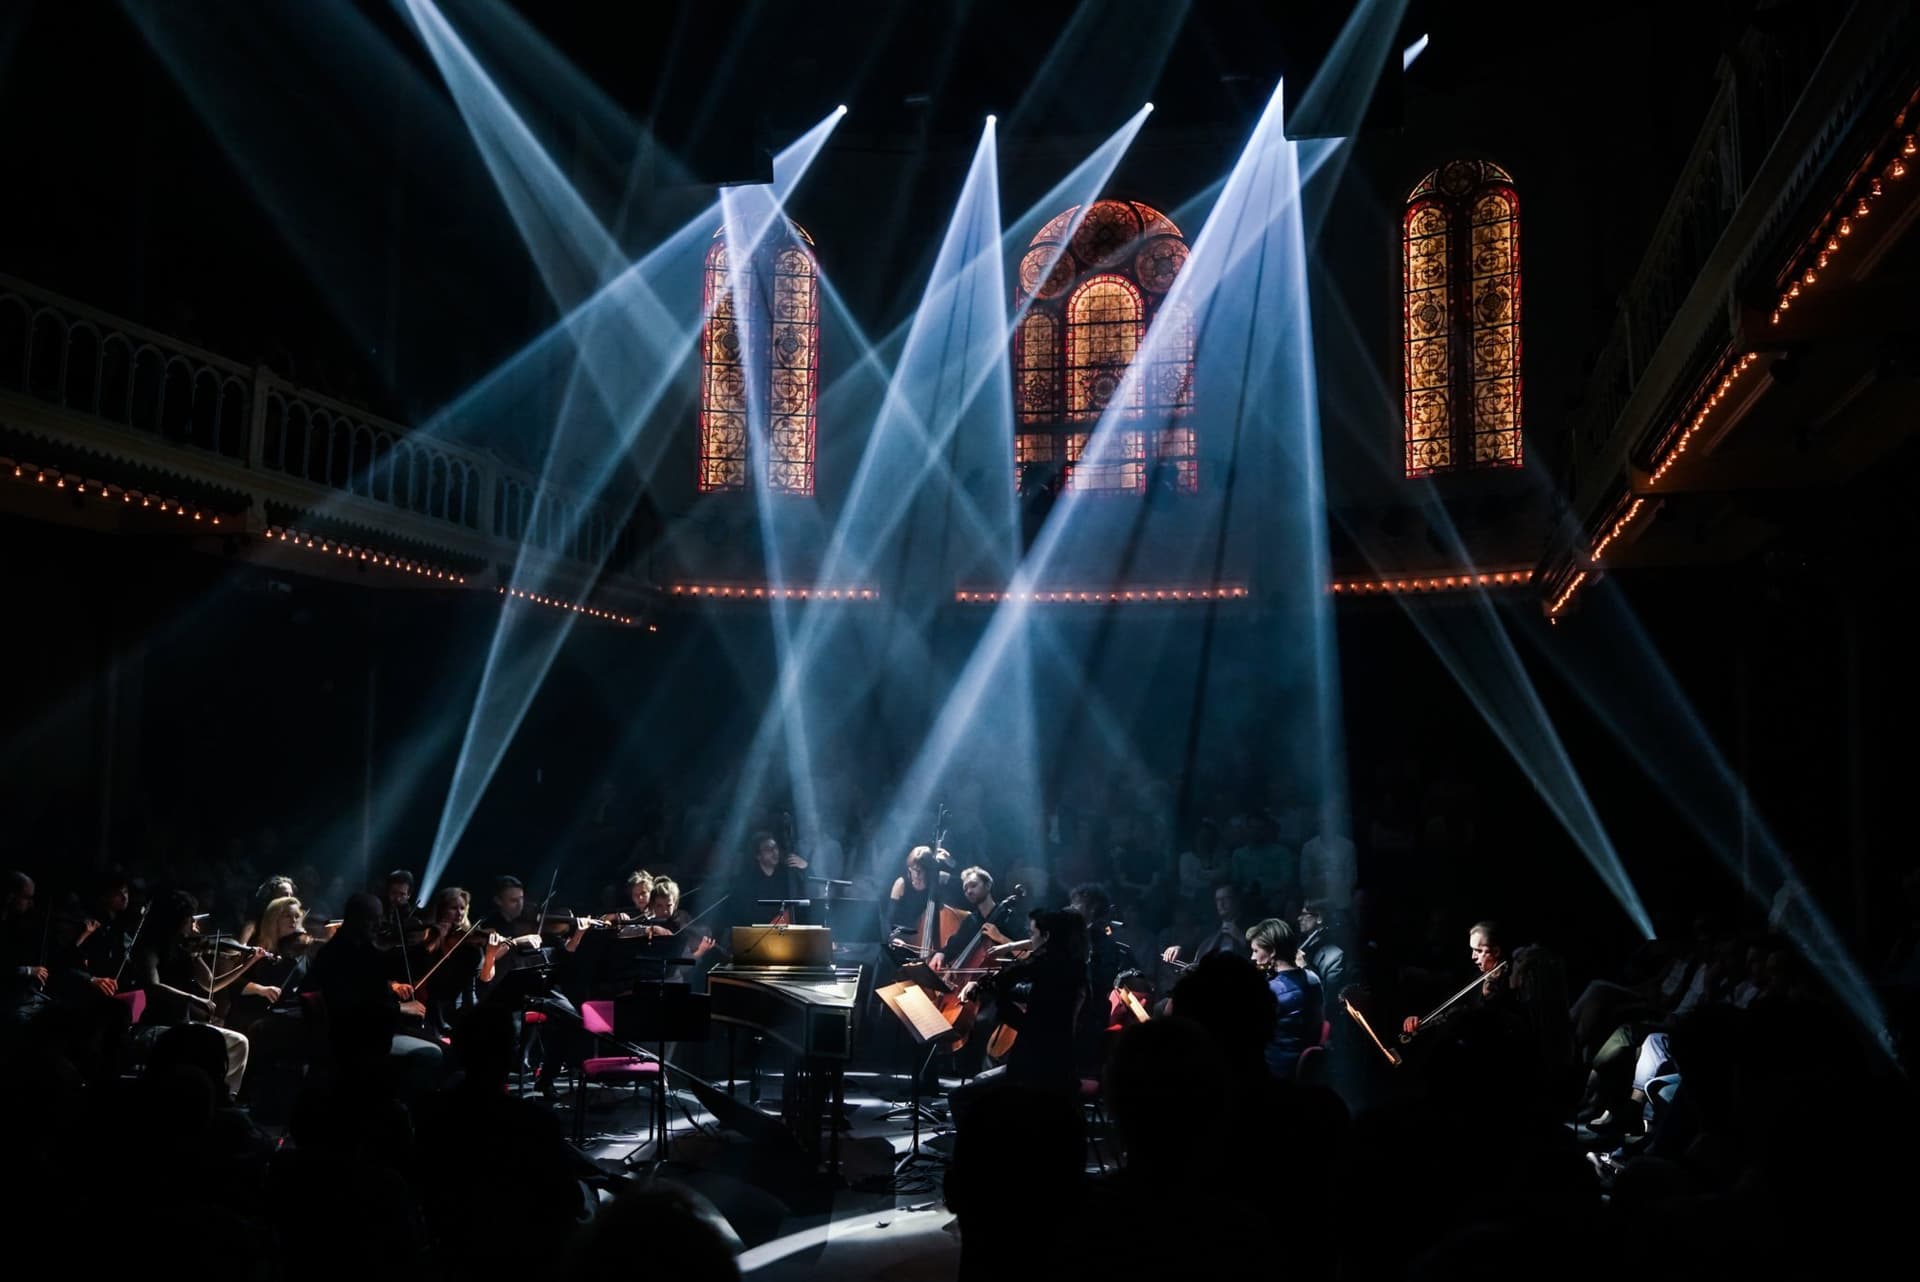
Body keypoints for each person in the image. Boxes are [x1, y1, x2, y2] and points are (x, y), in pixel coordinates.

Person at [961, 907, 1087, 1093]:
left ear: (1047, 937)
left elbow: (1031, 1025)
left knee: (964, 1095)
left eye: (1032, 934)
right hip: (1058, 1060)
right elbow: (1029, 992)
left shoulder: (1047, 966)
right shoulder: (1074, 966)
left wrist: (994, 992)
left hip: (1037, 1066)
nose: (1030, 941)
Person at [1402, 919, 1505, 1037]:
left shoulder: (1510, 981)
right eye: (1472, 950)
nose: (1473, 957)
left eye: (1479, 951)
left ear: (1496, 951)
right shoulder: (1474, 977)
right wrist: (1420, 1019)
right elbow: (1447, 1003)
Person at [1247, 917, 1323, 1076]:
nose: (1253, 957)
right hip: (1308, 1069)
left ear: (1272, 951)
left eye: (1256, 951)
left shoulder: (1270, 990)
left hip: (1276, 1070)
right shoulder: (1313, 978)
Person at [1162, 882, 1249, 969]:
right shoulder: (1210, 928)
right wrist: (1179, 948)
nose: (1221, 904)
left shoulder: (1250, 926)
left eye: (1226, 899)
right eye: (1218, 900)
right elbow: (1192, 945)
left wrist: (1241, 938)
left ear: (1237, 900)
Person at [1296, 898, 1348, 993]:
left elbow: (1329, 993)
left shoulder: (1335, 956)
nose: (1299, 918)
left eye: (1304, 914)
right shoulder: (1297, 944)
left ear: (1319, 918)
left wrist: (1304, 966)